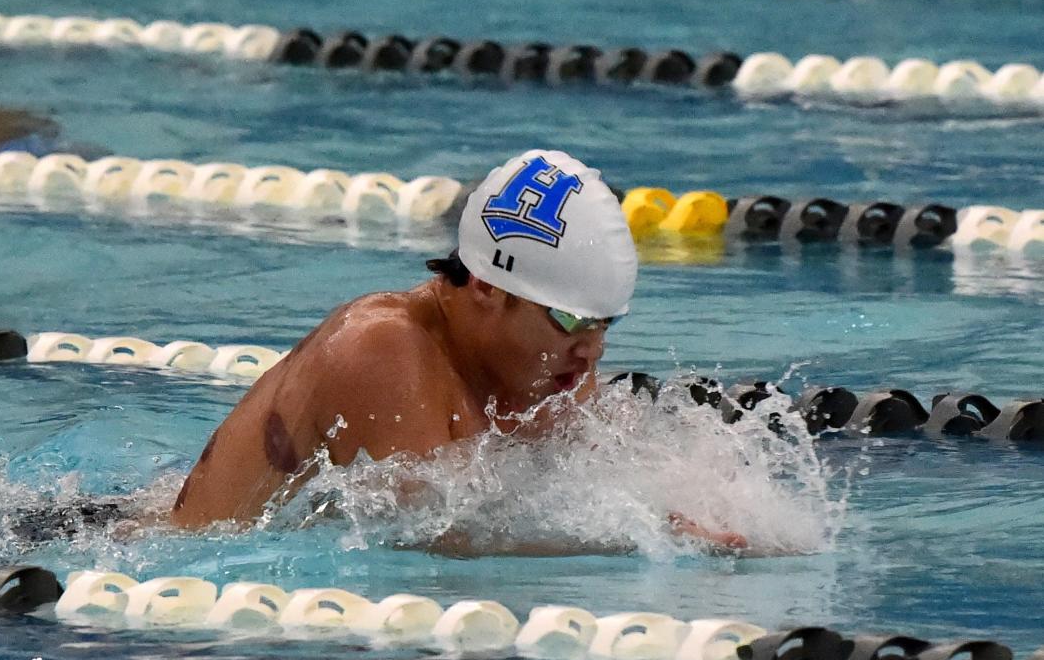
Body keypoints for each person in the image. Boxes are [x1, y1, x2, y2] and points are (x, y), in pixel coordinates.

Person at [171, 150, 747, 553]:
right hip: (167, 582)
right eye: (570, 320)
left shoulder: (549, 369)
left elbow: (590, 479)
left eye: (605, 325)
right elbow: (437, 536)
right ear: (489, 287)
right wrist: (637, 536)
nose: (591, 351)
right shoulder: (381, 346)